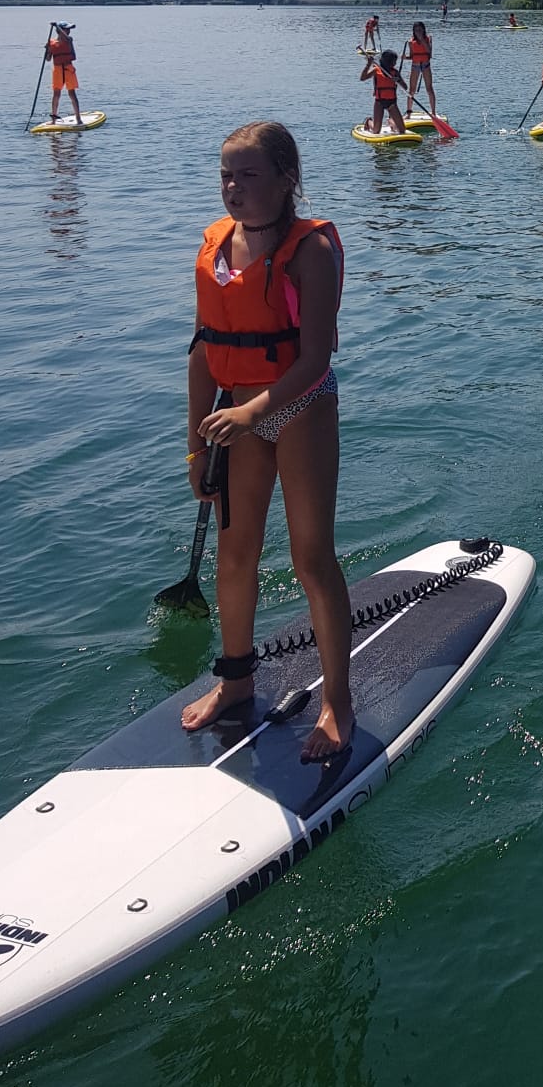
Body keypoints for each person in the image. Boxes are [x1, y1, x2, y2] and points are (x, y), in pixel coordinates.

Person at [183, 121, 352, 764]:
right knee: (235, 556)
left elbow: (311, 360)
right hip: (236, 418)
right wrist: (196, 448)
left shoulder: (309, 252)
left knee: (311, 557)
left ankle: (338, 698)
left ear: (287, 181)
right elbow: (203, 354)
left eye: (249, 175)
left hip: (299, 409)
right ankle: (236, 679)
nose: (234, 187)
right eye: (226, 174)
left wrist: (254, 412)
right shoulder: (215, 249)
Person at [359, 48, 407, 133]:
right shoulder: (376, 70)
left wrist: (398, 80)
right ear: (388, 61)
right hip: (379, 102)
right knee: (376, 131)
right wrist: (368, 64)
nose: (395, 63)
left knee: (402, 130)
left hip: (392, 102)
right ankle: (369, 121)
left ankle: (390, 121)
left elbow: (405, 87)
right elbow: (362, 78)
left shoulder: (395, 72)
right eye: (394, 61)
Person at [46, 22, 82, 126]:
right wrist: (47, 50)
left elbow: (65, 37)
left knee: (72, 94)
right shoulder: (52, 42)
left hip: (68, 69)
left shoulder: (69, 40)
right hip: (57, 70)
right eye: (66, 29)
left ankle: (78, 119)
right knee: (56, 94)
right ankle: (53, 120)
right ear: (59, 31)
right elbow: (48, 59)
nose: (69, 31)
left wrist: (57, 26)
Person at [405, 21, 435, 116]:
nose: (418, 31)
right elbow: (411, 56)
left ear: (423, 30)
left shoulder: (428, 39)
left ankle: (433, 112)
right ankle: (409, 112)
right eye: (416, 30)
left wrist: (422, 40)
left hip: (426, 65)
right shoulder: (411, 42)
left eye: (420, 29)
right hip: (415, 66)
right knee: (411, 90)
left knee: (429, 89)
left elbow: (429, 52)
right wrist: (404, 57)